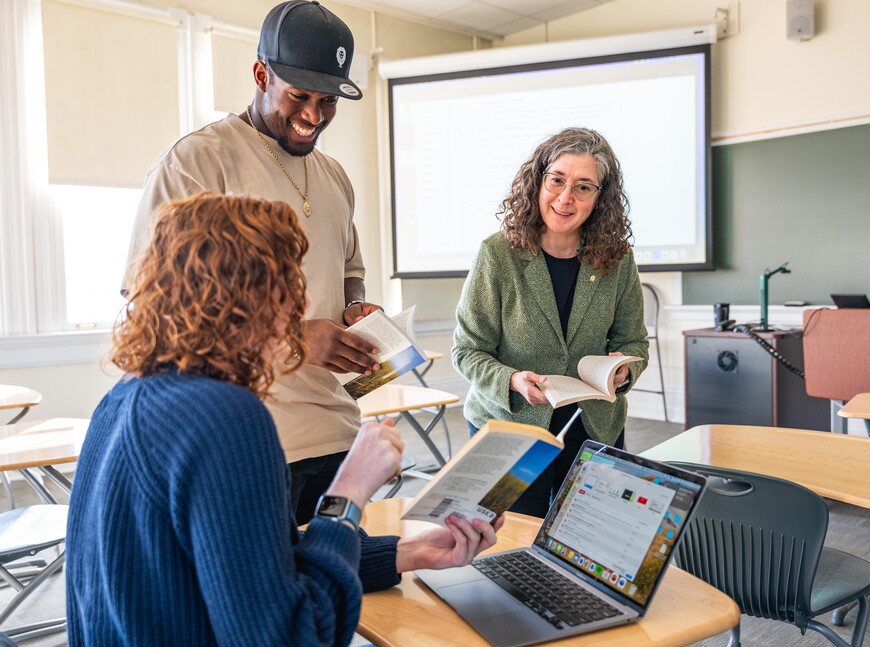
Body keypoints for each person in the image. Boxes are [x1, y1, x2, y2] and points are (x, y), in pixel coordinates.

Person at [68, 192, 502, 646]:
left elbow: (257, 566)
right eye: (289, 279)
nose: (306, 298)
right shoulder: (227, 418)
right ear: (243, 294)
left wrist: (405, 553)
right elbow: (291, 635)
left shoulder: (123, 397)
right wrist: (349, 491)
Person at [122, 1, 381, 524]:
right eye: (299, 97)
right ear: (261, 74)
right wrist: (294, 339)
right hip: (248, 436)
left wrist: (356, 309)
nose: (314, 116)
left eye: (328, 101)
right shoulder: (196, 162)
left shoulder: (333, 175)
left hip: (336, 433)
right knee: (264, 599)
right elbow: (149, 307)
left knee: (348, 592)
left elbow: (349, 270)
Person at [452, 127, 649, 518]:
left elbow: (634, 343)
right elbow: (468, 351)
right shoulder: (497, 254)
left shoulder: (618, 259)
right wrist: (512, 381)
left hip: (593, 427)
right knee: (503, 539)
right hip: (510, 426)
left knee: (585, 540)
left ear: (600, 198)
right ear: (538, 180)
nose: (565, 198)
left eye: (584, 187)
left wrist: (625, 371)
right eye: (557, 180)